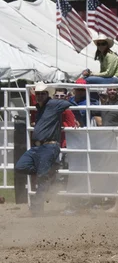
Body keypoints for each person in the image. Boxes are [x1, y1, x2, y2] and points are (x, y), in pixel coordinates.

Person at [15, 82, 74, 214]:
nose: (40, 96)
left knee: (41, 176)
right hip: (38, 147)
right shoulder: (40, 107)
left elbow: (68, 104)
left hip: (49, 146)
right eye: (38, 94)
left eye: (43, 93)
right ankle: (49, 173)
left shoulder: (53, 104)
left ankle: (37, 208)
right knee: (21, 166)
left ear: (48, 95)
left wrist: (66, 99)